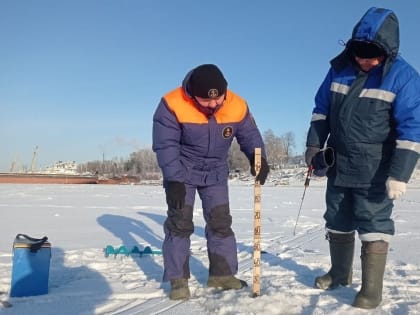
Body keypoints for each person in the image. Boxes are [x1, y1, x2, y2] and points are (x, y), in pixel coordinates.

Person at [305, 7, 420, 309]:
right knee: (337, 218)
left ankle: (371, 290)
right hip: (339, 163)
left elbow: (412, 129)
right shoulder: (339, 68)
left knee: (373, 223)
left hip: (376, 170)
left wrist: (400, 173)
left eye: (373, 57)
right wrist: (314, 146)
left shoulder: (405, 78)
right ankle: (340, 273)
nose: (365, 61)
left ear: (388, 52)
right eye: (360, 54)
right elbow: (321, 110)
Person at [152, 64, 269, 300]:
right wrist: (174, 179)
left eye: (219, 99)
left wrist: (260, 159)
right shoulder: (172, 104)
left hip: (215, 172)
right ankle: (178, 281)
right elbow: (166, 145)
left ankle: (222, 276)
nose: (214, 104)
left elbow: (250, 135)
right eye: (206, 101)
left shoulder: (237, 104)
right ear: (192, 95)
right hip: (182, 172)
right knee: (179, 224)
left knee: (220, 223)